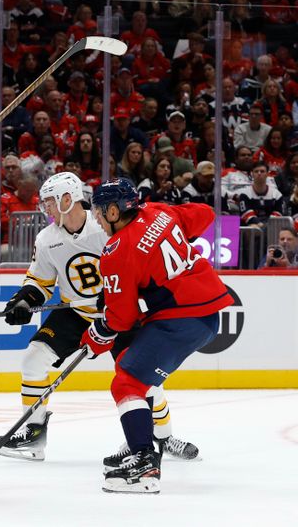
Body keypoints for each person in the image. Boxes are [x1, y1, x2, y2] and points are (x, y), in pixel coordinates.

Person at [0, 173, 198, 463]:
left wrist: (118, 295)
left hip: (120, 313)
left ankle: (164, 437)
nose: (47, 209)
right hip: (76, 313)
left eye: (51, 203)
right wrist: (23, 300)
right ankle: (34, 432)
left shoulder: (104, 226)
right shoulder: (46, 239)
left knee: (144, 380)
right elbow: (40, 282)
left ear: (68, 199)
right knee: (33, 359)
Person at [83, 178, 233, 493]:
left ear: (113, 211)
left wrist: (96, 334)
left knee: (126, 381)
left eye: (98, 211)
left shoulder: (117, 250)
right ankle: (143, 441)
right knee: (130, 364)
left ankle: (144, 464)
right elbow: (204, 213)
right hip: (207, 312)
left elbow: (121, 319)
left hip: (182, 318)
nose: (96, 218)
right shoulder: (158, 211)